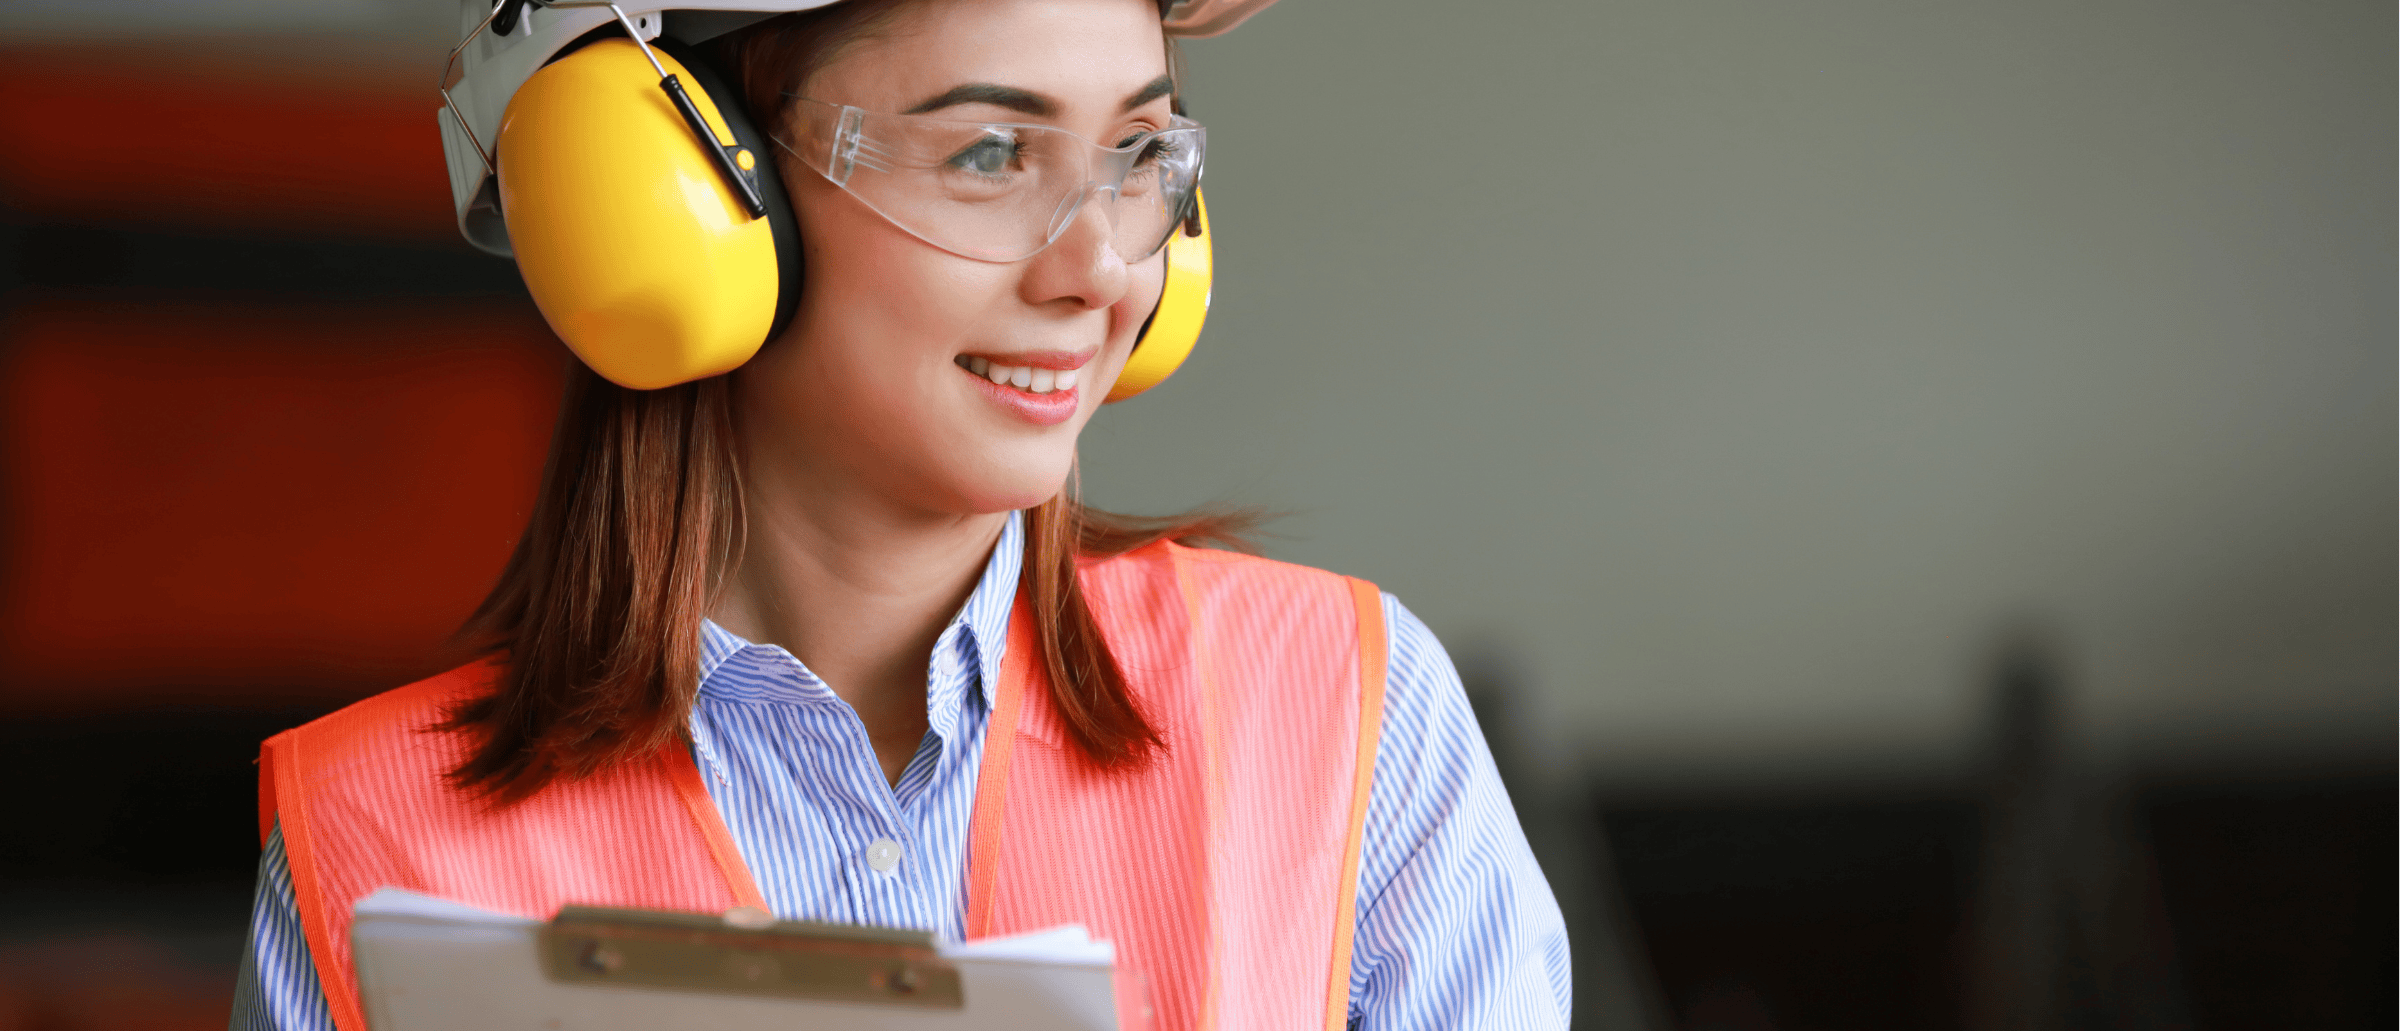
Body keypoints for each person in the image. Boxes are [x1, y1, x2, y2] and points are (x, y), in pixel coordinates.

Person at [231, 0, 1570, 1028]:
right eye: (990, 152)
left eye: (1139, 152)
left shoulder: (1346, 712)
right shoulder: (369, 835)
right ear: (683, 199)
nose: (1102, 266)